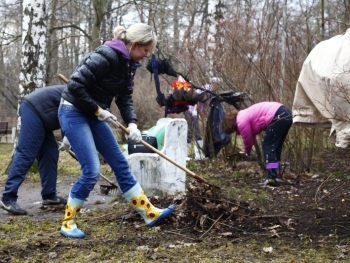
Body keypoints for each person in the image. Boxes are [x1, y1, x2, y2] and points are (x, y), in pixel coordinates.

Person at [58, 23, 175, 238]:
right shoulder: (106, 55)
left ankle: (149, 213)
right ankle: (68, 223)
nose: (146, 55)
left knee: (120, 162)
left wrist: (132, 123)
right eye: (145, 50)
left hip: (94, 113)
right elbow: (75, 85)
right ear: (134, 45)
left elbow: (124, 97)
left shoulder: (129, 64)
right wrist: (98, 110)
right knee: (92, 170)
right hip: (74, 110)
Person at [0, 85, 68, 215]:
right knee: (26, 152)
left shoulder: (89, 98)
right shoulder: (80, 93)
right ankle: (8, 198)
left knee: (50, 153)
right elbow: (69, 115)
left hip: (44, 118)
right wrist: (67, 137)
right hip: (34, 109)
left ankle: (49, 195)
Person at [221, 101, 292, 186]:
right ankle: (273, 176)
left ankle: (272, 177)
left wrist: (247, 151)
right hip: (286, 114)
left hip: (277, 115)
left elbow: (247, 139)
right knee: (275, 146)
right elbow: (252, 137)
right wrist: (248, 149)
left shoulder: (241, 120)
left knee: (268, 145)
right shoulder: (243, 115)